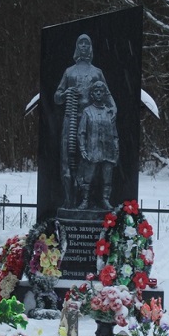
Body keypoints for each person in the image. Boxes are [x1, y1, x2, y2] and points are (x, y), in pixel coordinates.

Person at [54, 34, 116, 208]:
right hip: (71, 118)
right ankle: (69, 200)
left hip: (92, 122)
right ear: (76, 46)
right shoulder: (69, 72)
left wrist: (113, 108)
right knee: (68, 159)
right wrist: (65, 94)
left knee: (92, 160)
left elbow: (108, 94)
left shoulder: (97, 72)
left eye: (86, 43)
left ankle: (90, 200)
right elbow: (57, 97)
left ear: (90, 48)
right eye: (80, 42)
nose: (83, 46)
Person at [76, 80, 119, 209]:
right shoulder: (87, 112)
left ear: (105, 94)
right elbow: (81, 132)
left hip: (108, 151)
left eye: (101, 91)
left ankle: (105, 200)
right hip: (92, 150)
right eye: (96, 91)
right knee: (88, 178)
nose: (99, 93)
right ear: (92, 94)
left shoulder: (109, 113)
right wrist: (83, 149)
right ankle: (85, 200)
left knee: (107, 178)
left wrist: (116, 151)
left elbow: (115, 134)